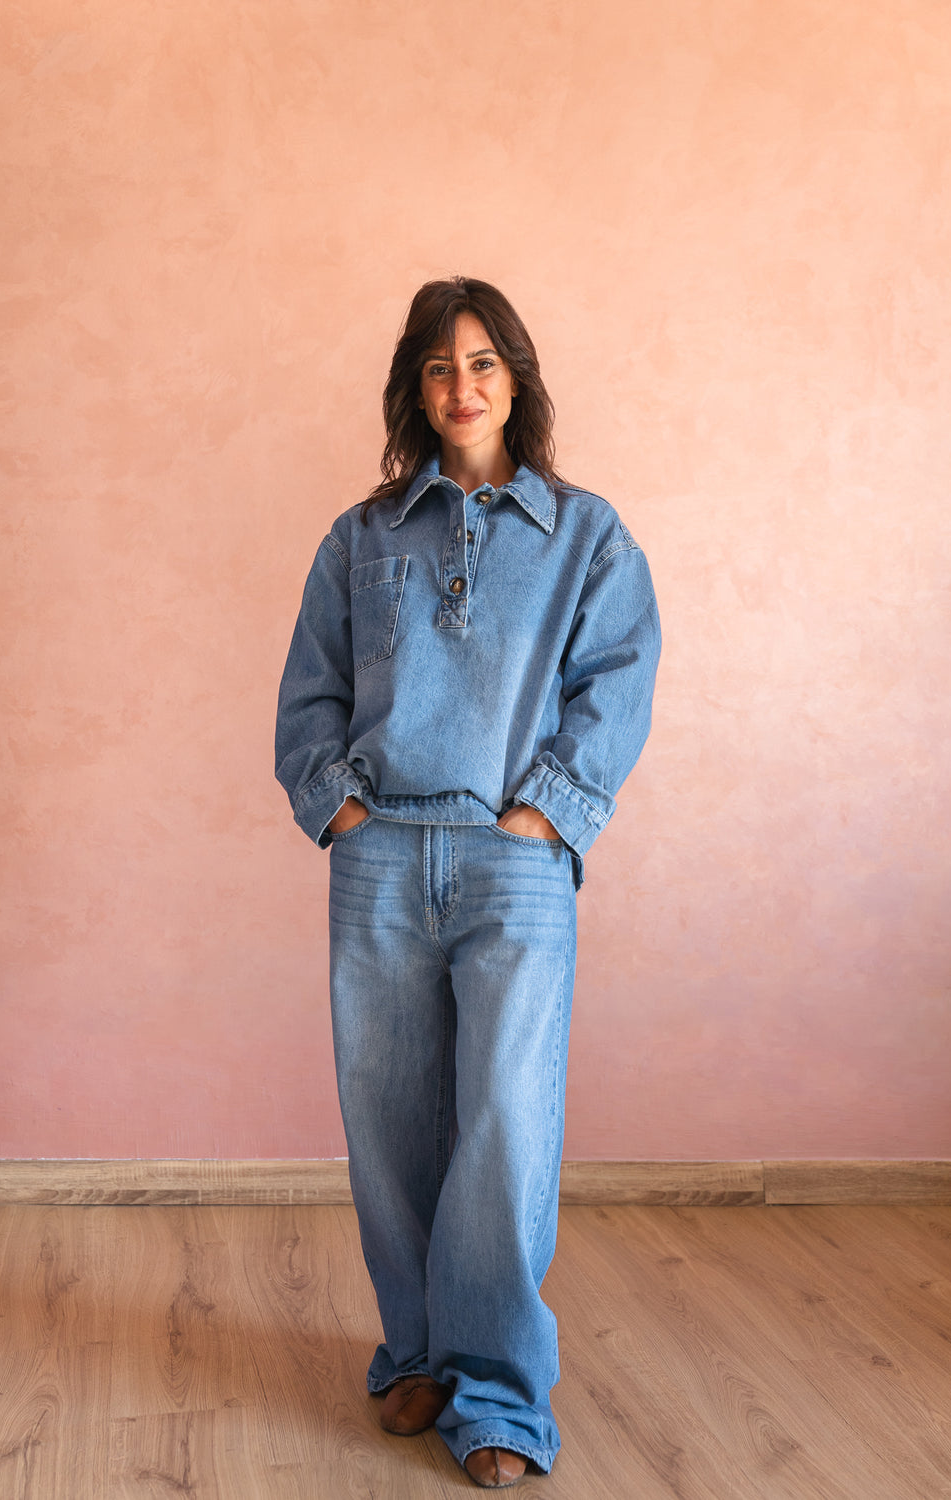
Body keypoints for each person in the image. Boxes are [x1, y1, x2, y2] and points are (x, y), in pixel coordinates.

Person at [275, 277, 660, 1489]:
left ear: (516, 378)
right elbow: (311, 691)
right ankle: (417, 1354)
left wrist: (546, 813)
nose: (462, 386)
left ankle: (495, 1392)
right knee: (388, 1118)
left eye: (483, 362)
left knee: (502, 1125)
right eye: (439, 366)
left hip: (515, 862)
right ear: (415, 386)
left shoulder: (586, 534)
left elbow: (617, 680)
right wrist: (340, 809)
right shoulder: (362, 537)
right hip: (382, 855)